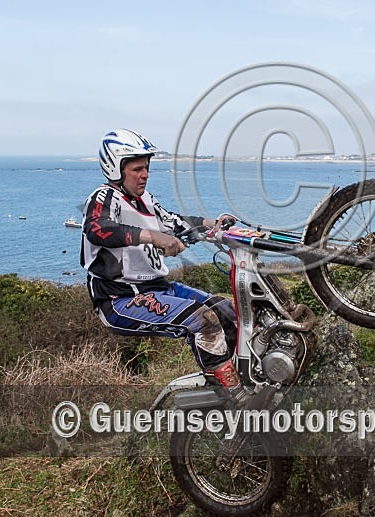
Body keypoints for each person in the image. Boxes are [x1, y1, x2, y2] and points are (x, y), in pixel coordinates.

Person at [81, 128, 249, 404]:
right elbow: (98, 228)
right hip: (119, 298)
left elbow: (172, 222)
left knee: (227, 311)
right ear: (116, 168)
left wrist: (212, 224)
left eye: (146, 167)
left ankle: (239, 373)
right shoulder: (104, 198)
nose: (144, 174)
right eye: (136, 169)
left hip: (158, 287)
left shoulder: (145, 200)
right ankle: (233, 396)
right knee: (204, 320)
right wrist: (151, 237)